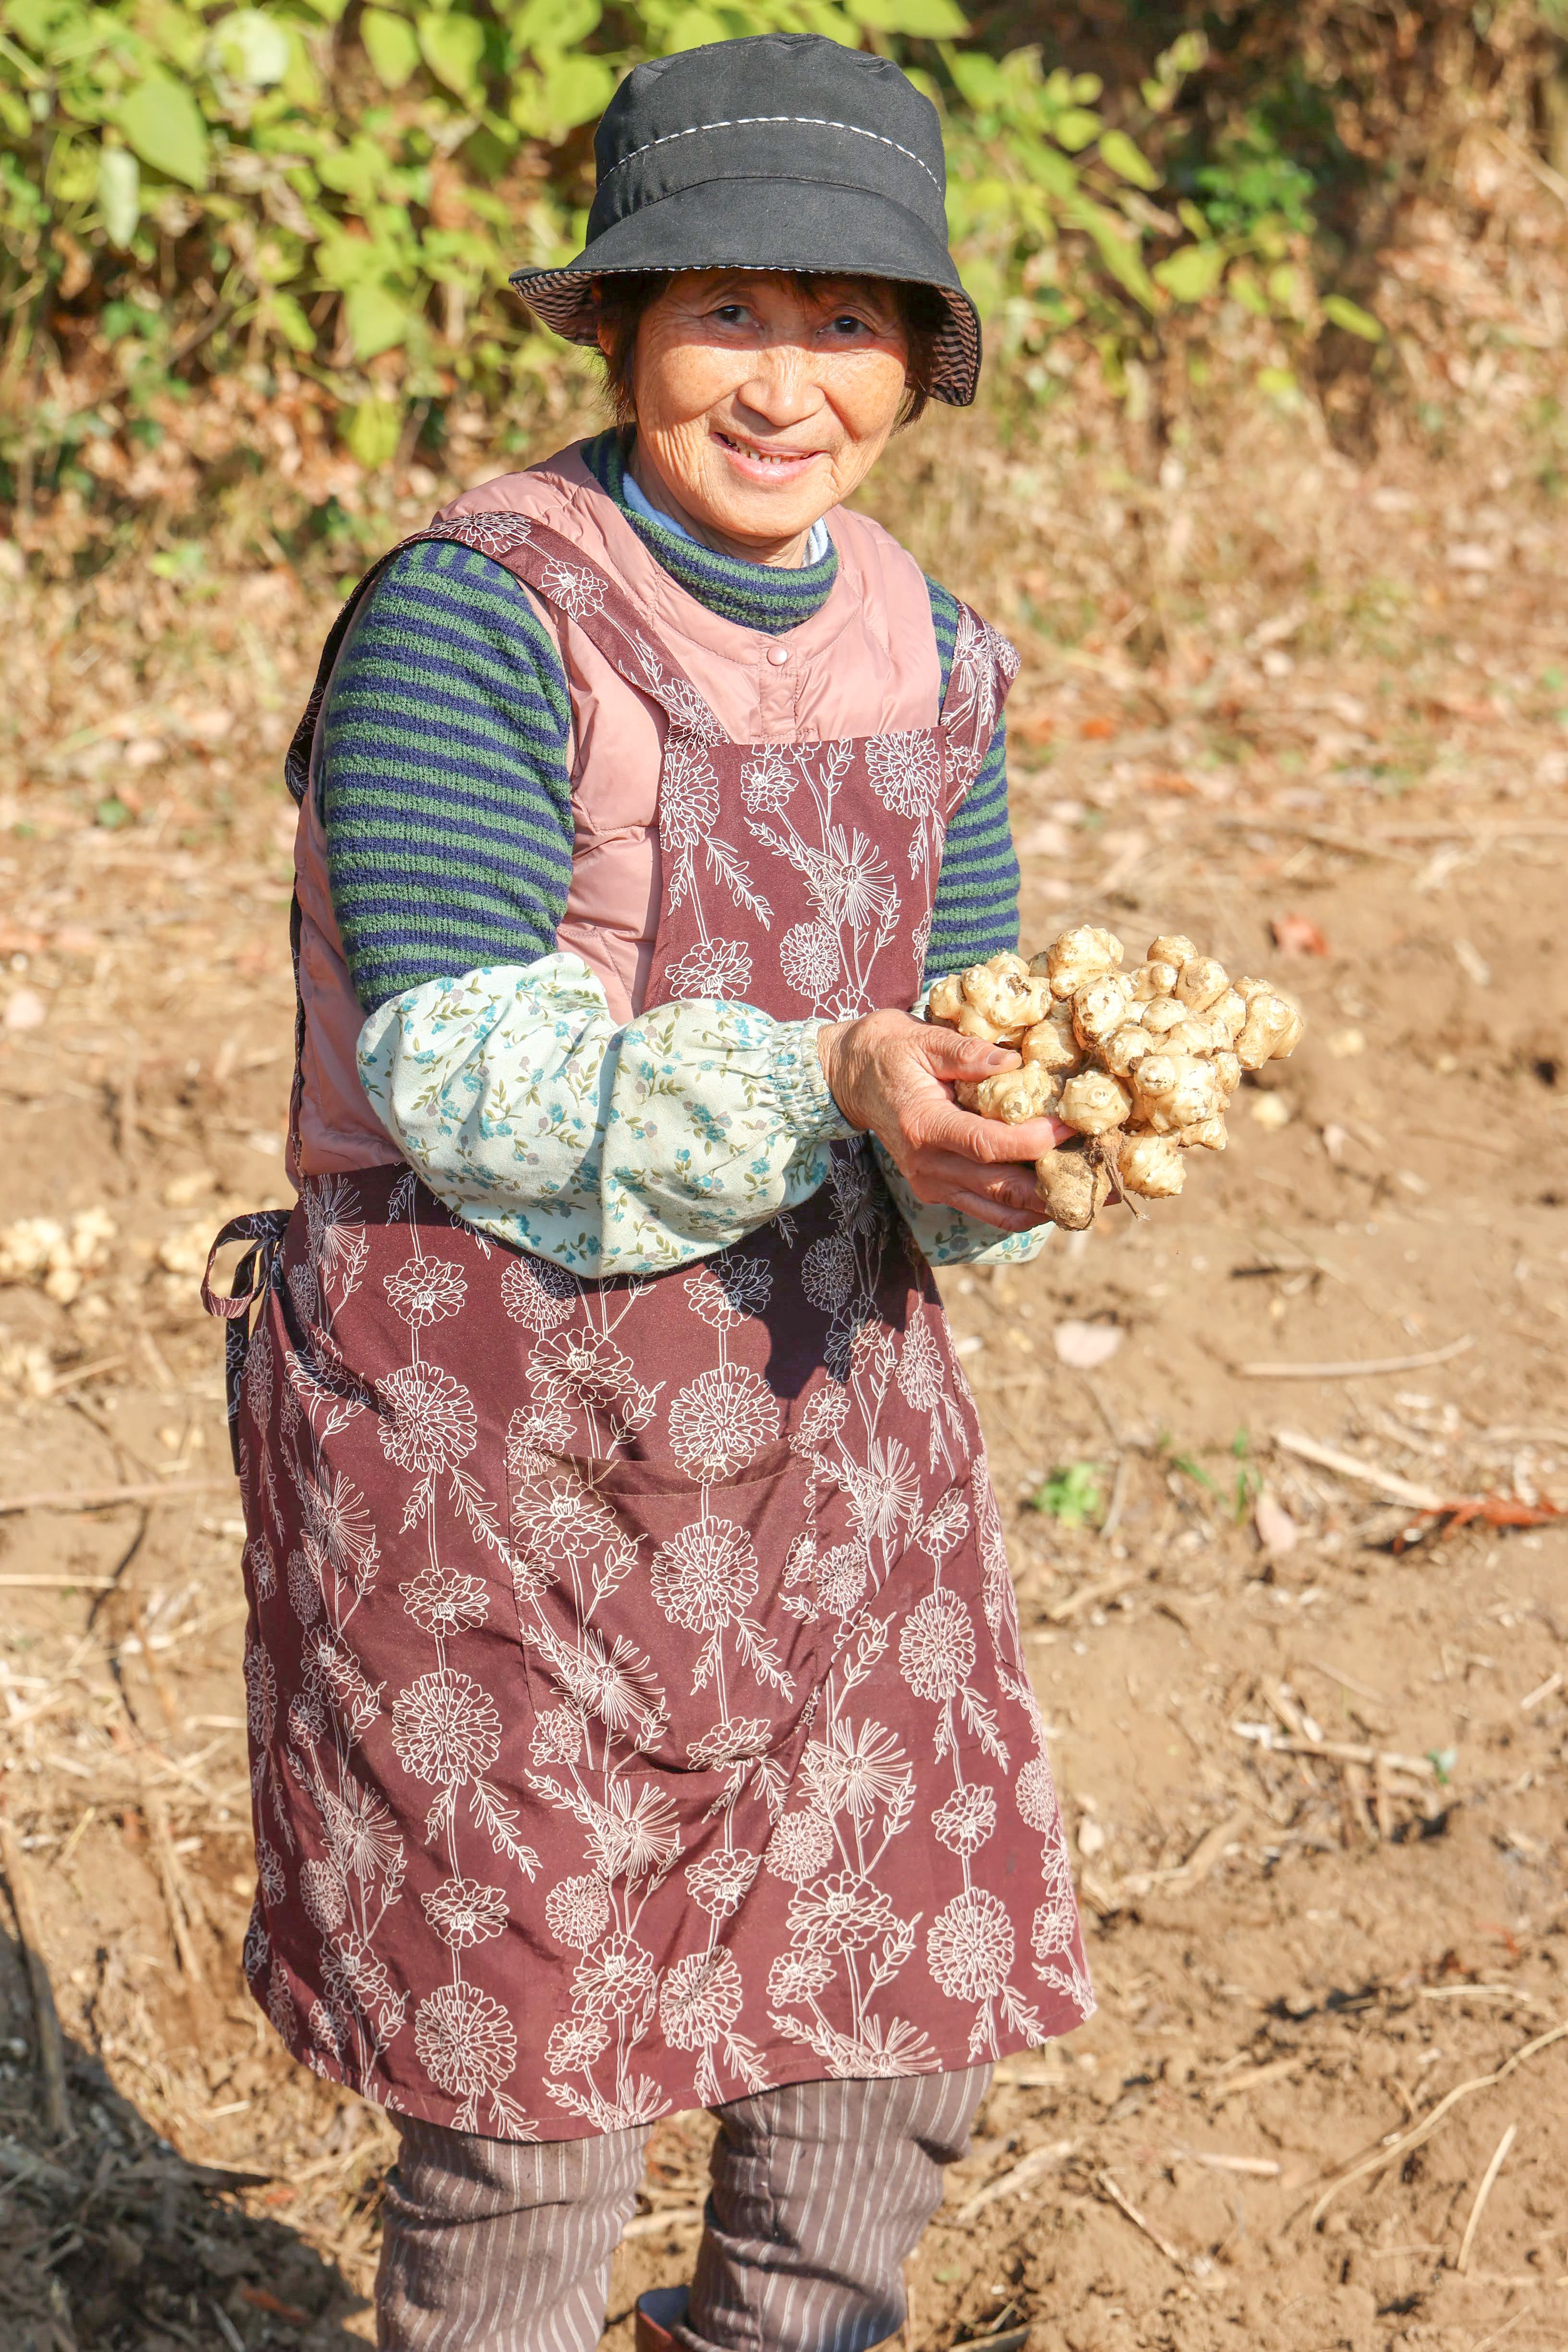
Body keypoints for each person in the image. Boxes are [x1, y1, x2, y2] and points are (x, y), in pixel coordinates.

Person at [205, 32, 1094, 2352]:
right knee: (534, 2083)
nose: (784, 382)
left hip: (827, 1434)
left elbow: (961, 1032)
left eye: (843, 321)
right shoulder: (477, 614)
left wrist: (1010, 1146)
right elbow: (462, 1069)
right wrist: (832, 1071)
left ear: (911, 360)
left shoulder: (937, 651)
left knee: (889, 2001)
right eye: (726, 311)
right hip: (495, 1446)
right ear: (616, 328)